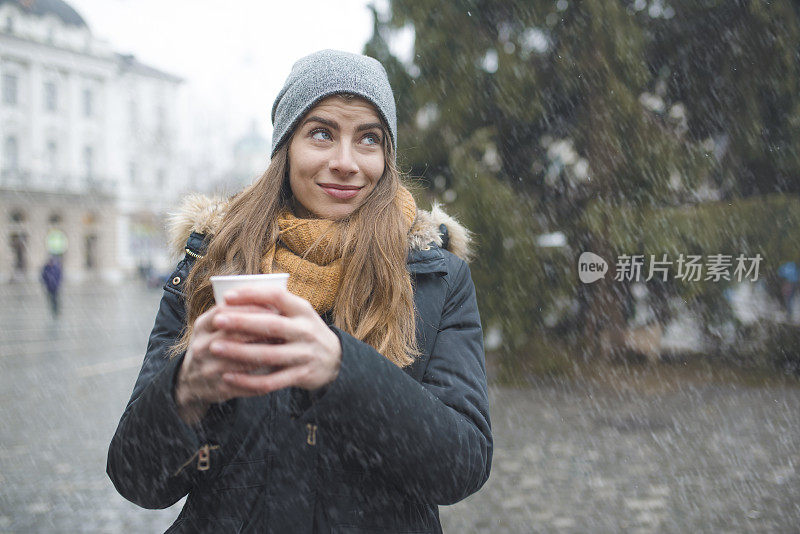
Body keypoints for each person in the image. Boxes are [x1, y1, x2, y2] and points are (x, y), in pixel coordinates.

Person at [107, 49, 492, 533]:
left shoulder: (435, 275)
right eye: (322, 133)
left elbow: (463, 465)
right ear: (286, 147)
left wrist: (343, 370)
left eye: (368, 139)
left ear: (386, 157)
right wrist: (183, 392)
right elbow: (136, 479)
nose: (346, 162)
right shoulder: (212, 263)